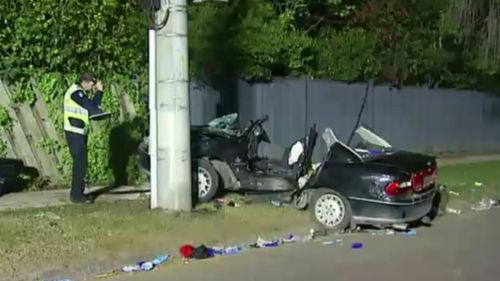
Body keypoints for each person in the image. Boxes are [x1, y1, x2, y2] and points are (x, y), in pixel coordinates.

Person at [63, 72, 108, 204]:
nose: (92, 87)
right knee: (79, 165)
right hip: (74, 132)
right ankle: (76, 195)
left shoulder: (79, 93)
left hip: (79, 132)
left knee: (81, 164)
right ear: (85, 82)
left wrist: (99, 92)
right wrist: (98, 92)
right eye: (92, 84)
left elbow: (92, 107)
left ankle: (78, 194)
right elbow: (92, 108)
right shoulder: (76, 93)